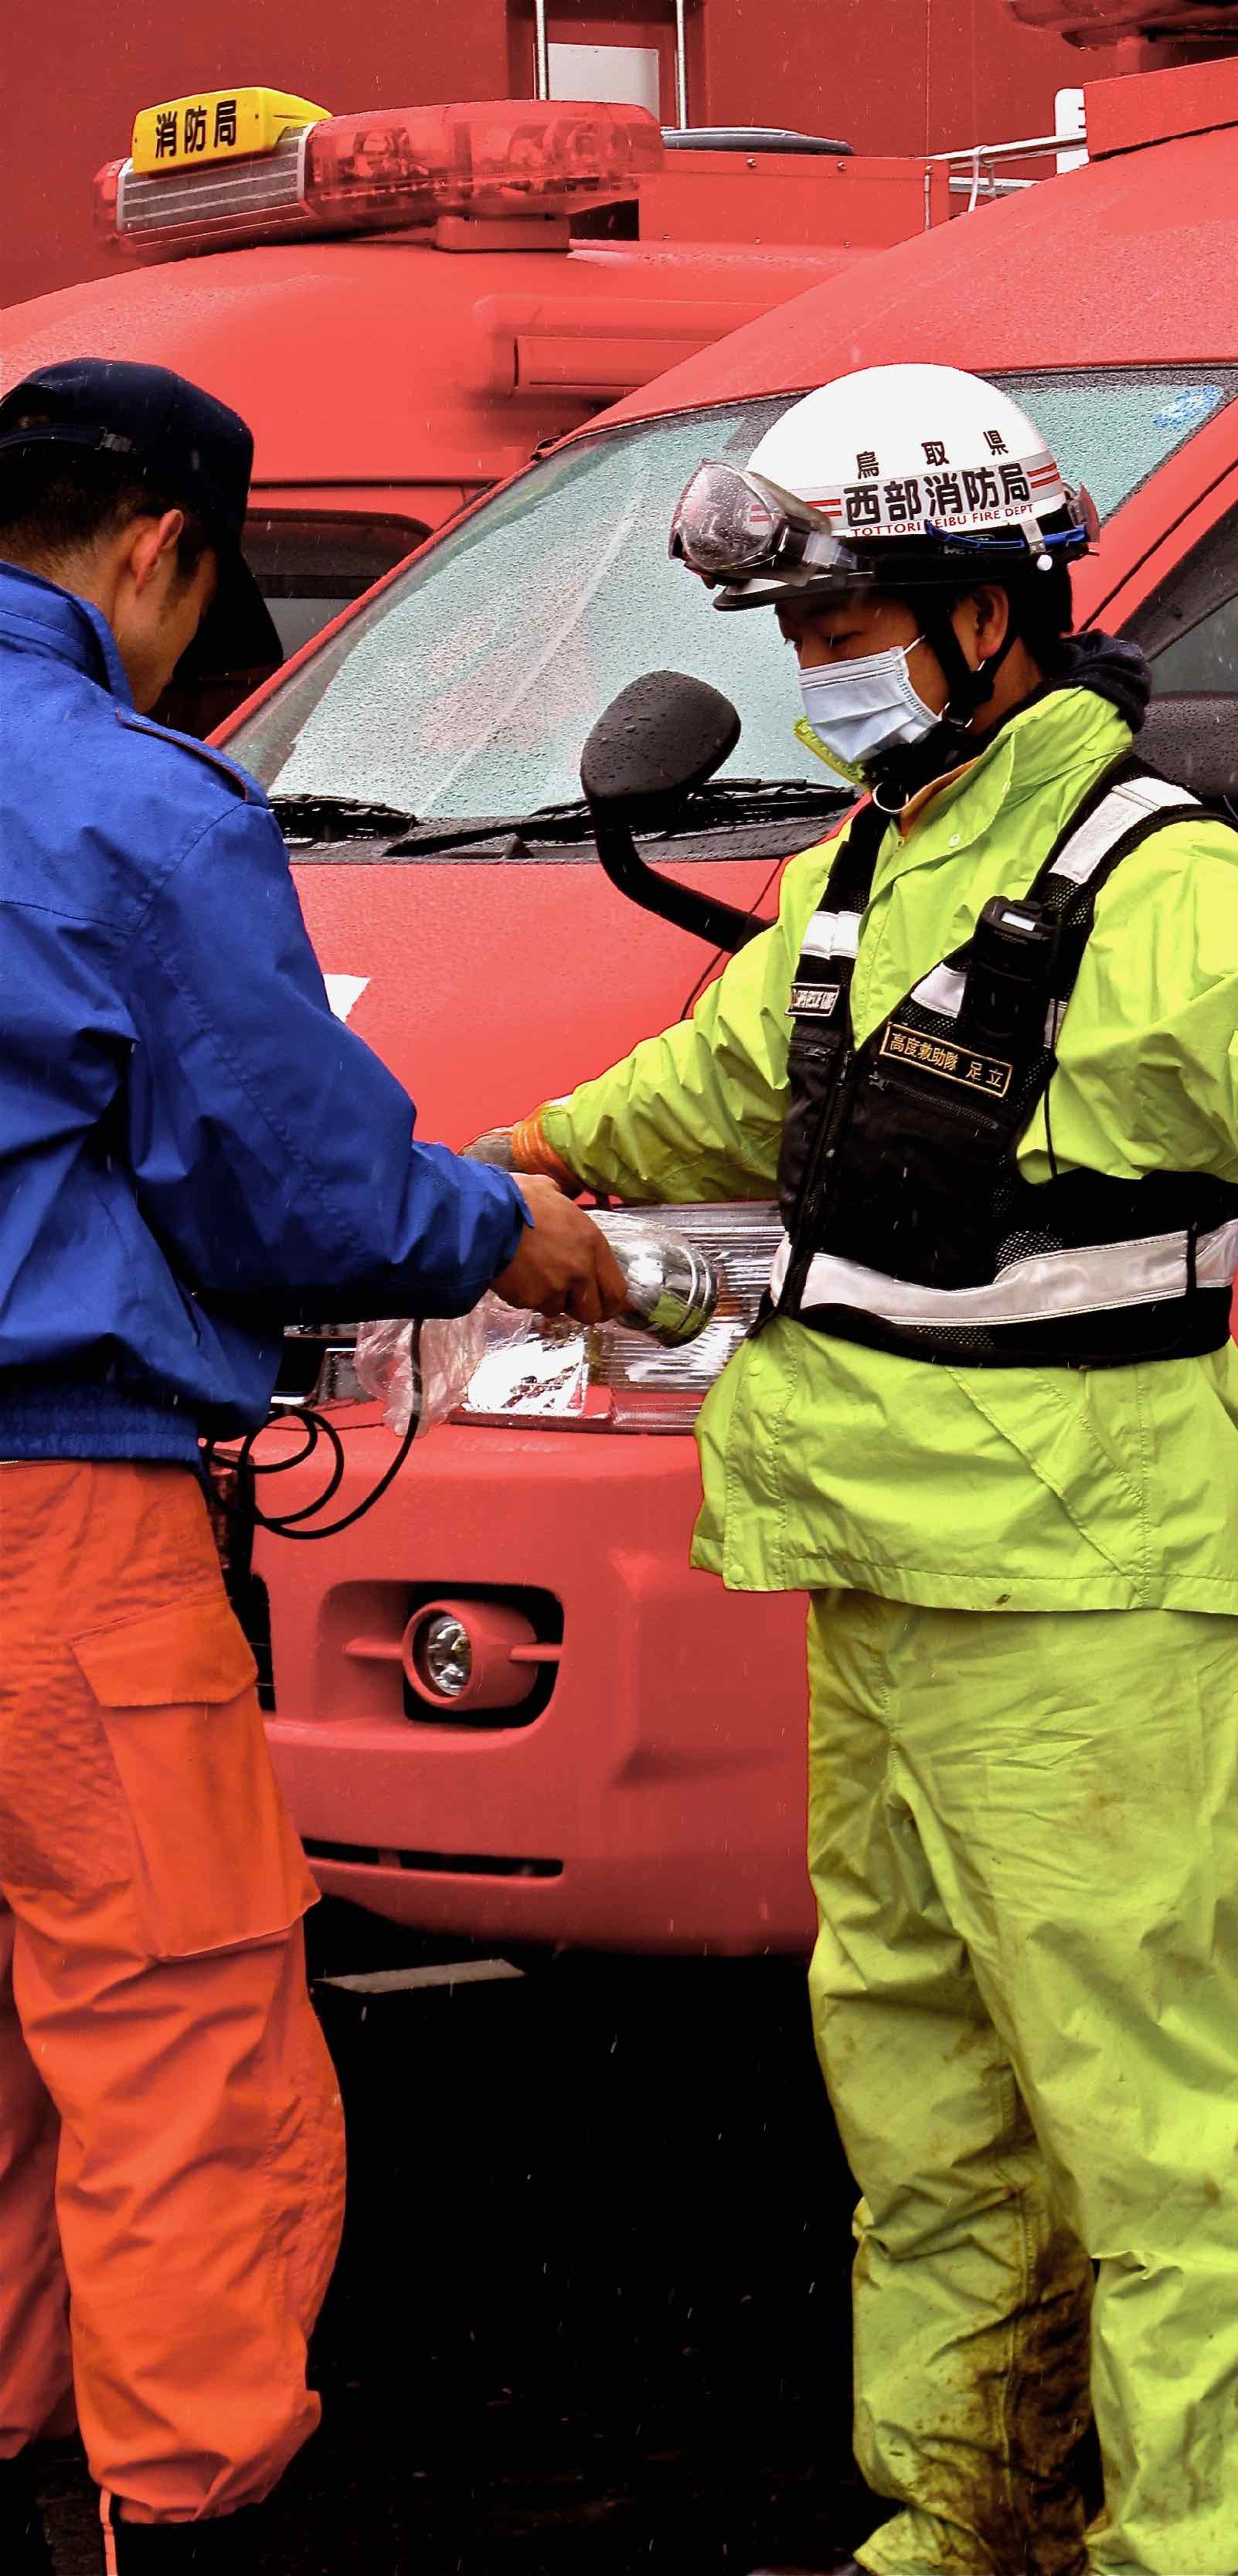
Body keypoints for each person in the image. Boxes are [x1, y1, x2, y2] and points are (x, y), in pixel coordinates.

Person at [478, 362, 1238, 2576]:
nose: (815, 671)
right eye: (801, 634)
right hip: (881, 1578)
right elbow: (715, 1083)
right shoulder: (874, 870)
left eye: (842, 625)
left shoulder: (1150, 870)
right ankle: (960, 2522)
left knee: (1166, 2140)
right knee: (930, 2109)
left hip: (1076, 1605)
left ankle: (1209, 2551)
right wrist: (516, 1156)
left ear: (978, 605)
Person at [0, 359, 625, 2573]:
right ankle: (184, 2510)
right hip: (60, 1513)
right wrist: (503, 1226)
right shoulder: (126, 798)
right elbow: (290, 1179)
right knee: (172, 2024)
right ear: (159, 546)